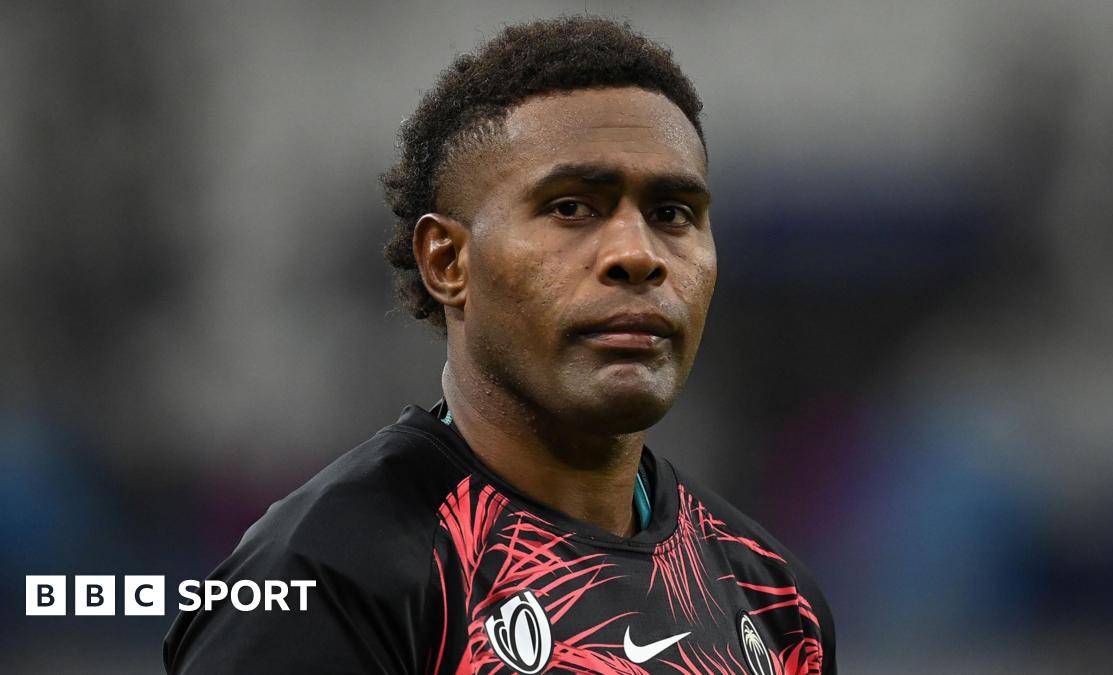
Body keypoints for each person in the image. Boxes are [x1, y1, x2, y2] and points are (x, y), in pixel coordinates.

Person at [163, 15, 836, 675]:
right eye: (571, 208)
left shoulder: (776, 600)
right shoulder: (329, 578)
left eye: (672, 214)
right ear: (447, 261)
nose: (637, 254)